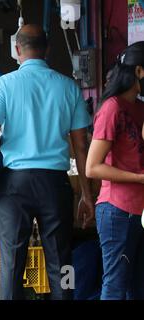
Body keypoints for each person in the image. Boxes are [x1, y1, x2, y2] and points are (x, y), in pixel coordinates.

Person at [0, 25, 93, 300]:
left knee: (12, 261)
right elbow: (81, 144)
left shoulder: (3, 85)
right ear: (48, 49)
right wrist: (87, 195)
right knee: (61, 260)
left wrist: (3, 142)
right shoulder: (68, 87)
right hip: (54, 184)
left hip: (14, 184)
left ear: (17, 50)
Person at [86, 41, 144, 300]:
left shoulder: (140, 108)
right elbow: (92, 167)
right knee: (116, 285)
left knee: (138, 287)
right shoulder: (112, 108)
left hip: (139, 211)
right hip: (117, 210)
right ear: (140, 72)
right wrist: (139, 178)